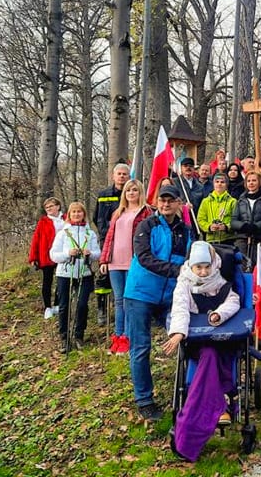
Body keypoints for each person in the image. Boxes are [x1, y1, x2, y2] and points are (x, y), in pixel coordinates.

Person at [163, 241, 241, 458]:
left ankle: (213, 407)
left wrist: (219, 314)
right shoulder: (184, 283)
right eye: (199, 267)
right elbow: (179, 307)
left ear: (213, 263)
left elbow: (233, 301)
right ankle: (221, 400)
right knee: (209, 354)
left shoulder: (222, 281)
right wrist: (178, 331)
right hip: (199, 343)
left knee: (216, 353)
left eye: (207, 266)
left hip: (225, 338)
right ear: (191, 266)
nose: (204, 271)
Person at [125, 185, 192, 420]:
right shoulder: (147, 226)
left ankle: (189, 391)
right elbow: (144, 258)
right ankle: (144, 400)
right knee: (141, 348)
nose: (166, 205)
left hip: (170, 296)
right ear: (157, 202)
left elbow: (192, 261)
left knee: (187, 338)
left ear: (178, 203)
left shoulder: (186, 230)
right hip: (140, 293)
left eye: (170, 201)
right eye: (162, 201)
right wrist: (177, 270)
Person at [99, 180, 153, 355]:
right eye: (128, 190)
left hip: (134, 262)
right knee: (119, 300)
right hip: (115, 261)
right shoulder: (118, 212)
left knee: (130, 300)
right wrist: (104, 260)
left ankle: (129, 338)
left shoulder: (146, 212)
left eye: (135, 190)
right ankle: (118, 336)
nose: (131, 193)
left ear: (140, 192)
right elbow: (109, 237)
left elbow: (150, 238)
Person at [50, 201, 102, 353]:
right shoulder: (63, 233)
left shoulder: (90, 233)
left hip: (84, 273)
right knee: (64, 306)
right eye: (74, 212)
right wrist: (67, 254)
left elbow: (98, 253)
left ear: (84, 214)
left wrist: (90, 254)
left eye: (79, 212)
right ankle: (64, 338)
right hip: (65, 274)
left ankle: (79, 335)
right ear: (69, 215)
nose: (77, 214)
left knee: (82, 305)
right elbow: (53, 255)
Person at [94, 163, 129, 326]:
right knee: (104, 275)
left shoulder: (130, 194)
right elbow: (98, 219)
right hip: (107, 239)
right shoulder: (104, 195)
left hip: (126, 242)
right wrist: (107, 235)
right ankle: (101, 308)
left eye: (124, 174)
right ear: (113, 176)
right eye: (119, 174)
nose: (122, 176)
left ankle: (120, 307)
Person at [230, 172, 261, 268]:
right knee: (242, 266)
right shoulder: (241, 201)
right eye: (248, 181)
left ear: (259, 182)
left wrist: (258, 225)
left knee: (260, 267)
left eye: (254, 180)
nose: (251, 183)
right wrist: (243, 226)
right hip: (243, 238)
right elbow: (233, 221)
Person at [29, 197, 63, 319]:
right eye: (47, 207)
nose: (49, 209)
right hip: (46, 255)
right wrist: (33, 257)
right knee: (47, 281)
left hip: (63, 254)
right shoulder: (43, 222)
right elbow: (36, 239)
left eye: (51, 206)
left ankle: (58, 304)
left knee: (61, 280)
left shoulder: (65, 219)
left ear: (58, 206)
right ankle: (47, 307)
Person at [197, 172, 237, 244]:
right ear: (213, 184)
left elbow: (236, 220)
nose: (219, 184)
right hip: (210, 240)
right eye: (217, 182)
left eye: (222, 182)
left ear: (226, 185)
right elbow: (200, 219)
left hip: (228, 240)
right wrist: (209, 227)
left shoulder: (232, 201)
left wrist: (226, 227)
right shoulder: (206, 201)